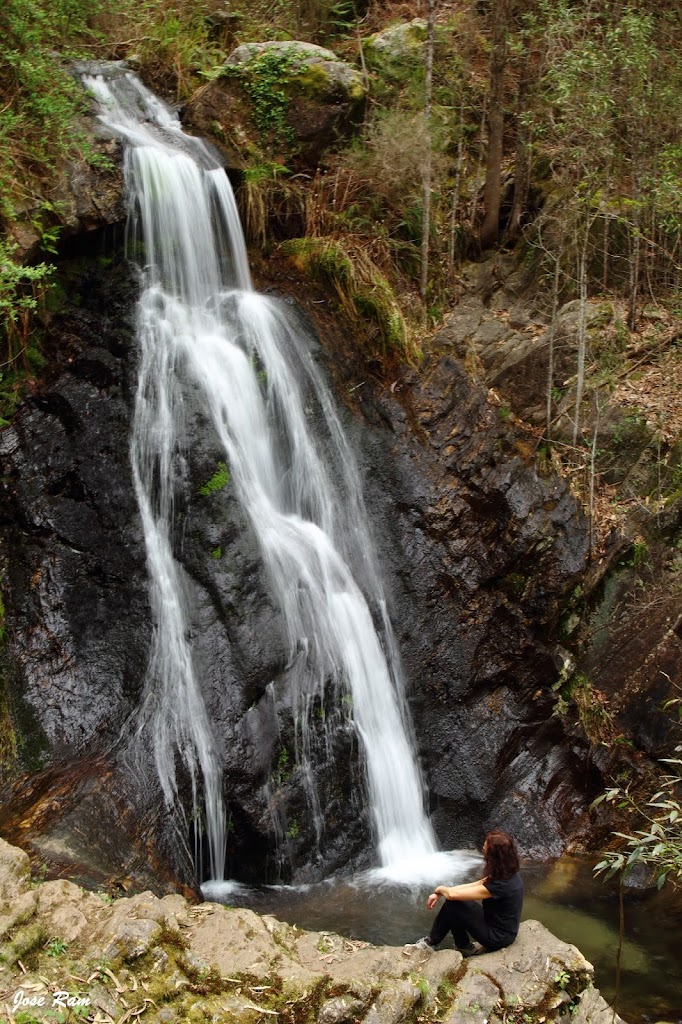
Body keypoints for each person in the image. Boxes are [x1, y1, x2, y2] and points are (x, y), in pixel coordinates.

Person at [412, 830, 523, 956]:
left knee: (452, 904)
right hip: (501, 927)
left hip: (498, 937)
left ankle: (431, 944)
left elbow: (453, 896)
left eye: (485, 847)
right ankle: (463, 946)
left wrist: (442, 890)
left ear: (494, 855)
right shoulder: (508, 871)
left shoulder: (501, 885)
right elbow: (478, 883)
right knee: (456, 904)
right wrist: (444, 891)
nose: (483, 847)